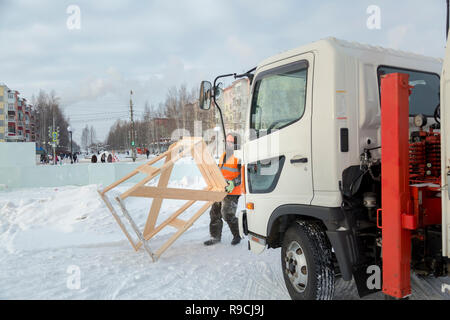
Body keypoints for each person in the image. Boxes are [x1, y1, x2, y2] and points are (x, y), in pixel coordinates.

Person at [204, 133, 242, 247]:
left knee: (227, 214)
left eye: (231, 142)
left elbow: (243, 175)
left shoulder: (239, 156)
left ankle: (237, 235)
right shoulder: (224, 155)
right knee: (214, 213)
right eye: (227, 142)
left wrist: (233, 183)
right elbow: (222, 171)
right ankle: (215, 237)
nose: (228, 144)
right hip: (221, 188)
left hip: (233, 191)